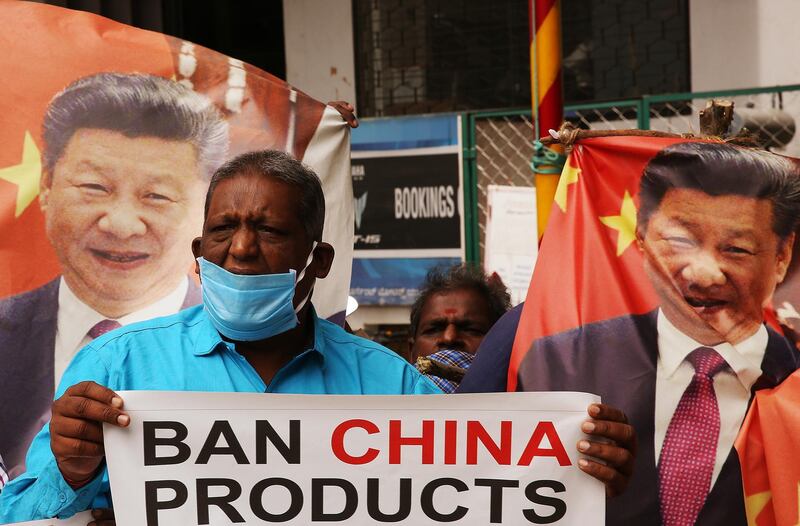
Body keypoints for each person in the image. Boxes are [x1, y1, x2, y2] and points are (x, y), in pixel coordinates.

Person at [0, 150, 440, 523]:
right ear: (199, 254)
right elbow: (18, 514)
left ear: (319, 259)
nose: (243, 248)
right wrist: (72, 474)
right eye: (223, 229)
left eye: (270, 231)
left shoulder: (391, 387)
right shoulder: (116, 365)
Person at [459, 141, 800, 525]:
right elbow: (463, 471)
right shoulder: (549, 357)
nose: (704, 274)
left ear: (782, 255)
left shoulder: (793, 376)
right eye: (679, 241)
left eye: (737, 249)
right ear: (639, 235)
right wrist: (557, 479)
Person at [0, 72, 229, 479]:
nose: (122, 224)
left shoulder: (256, 350)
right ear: (47, 187)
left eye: (156, 196)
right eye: (94, 187)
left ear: (205, 209)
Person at [409, 264, 511, 392]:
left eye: (471, 329)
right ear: (411, 350)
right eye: (434, 330)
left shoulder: (529, 406)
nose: (449, 338)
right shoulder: (382, 407)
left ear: (500, 349)